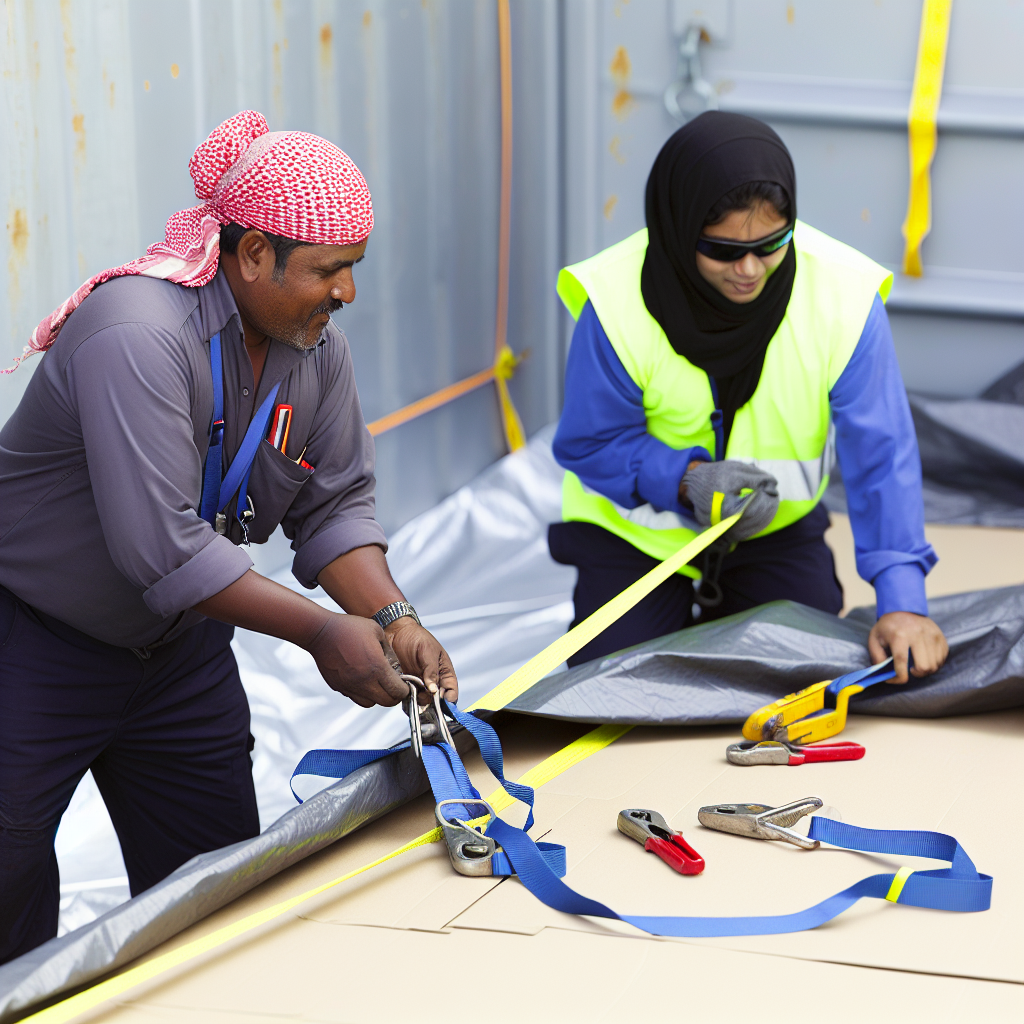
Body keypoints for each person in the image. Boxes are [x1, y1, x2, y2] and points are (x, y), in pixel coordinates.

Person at [0, 111, 457, 963]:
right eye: (328, 270)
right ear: (251, 255)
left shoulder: (313, 348)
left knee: (211, 898)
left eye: (352, 270)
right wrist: (323, 631)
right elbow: (163, 549)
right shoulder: (136, 335)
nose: (346, 293)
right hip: (33, 647)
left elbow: (334, 506)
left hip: (179, 653)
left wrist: (394, 613)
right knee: (8, 882)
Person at [549, 111, 948, 681]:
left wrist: (903, 602)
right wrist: (684, 481)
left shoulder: (843, 297)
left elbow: (882, 453)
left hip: (774, 538)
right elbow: (590, 443)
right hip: (639, 541)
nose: (749, 269)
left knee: (801, 676)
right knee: (614, 687)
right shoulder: (616, 303)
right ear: (678, 228)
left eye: (771, 244)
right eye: (722, 249)